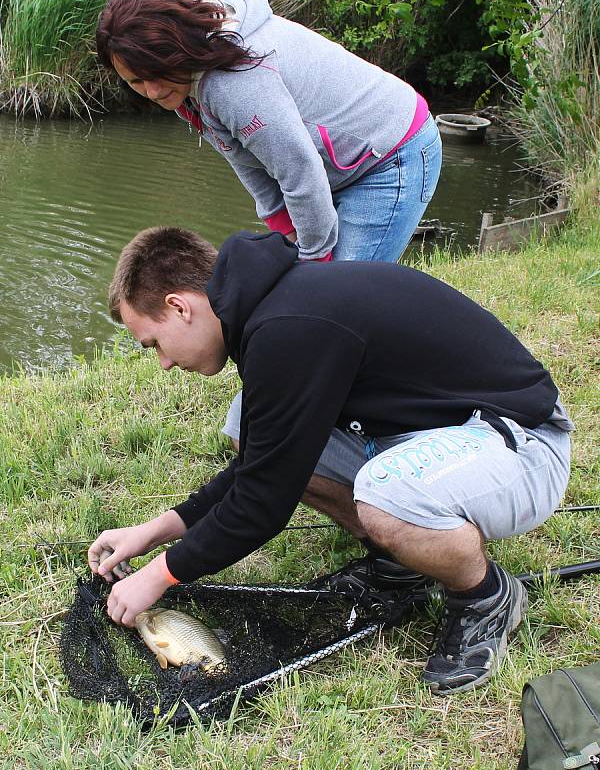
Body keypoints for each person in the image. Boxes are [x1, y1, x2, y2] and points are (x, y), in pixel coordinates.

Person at [88, 226, 573, 695]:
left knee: (386, 495)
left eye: (153, 343)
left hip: (522, 442)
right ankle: (398, 565)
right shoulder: (270, 314)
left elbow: (262, 505)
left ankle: (485, 597)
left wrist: (160, 575)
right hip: (434, 431)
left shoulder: (288, 329)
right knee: (245, 422)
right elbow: (262, 467)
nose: (164, 362)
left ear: (179, 306)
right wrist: (152, 532)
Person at [95, 0, 442, 264]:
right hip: (338, 161)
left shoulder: (233, 83)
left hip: (391, 152)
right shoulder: (183, 74)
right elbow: (240, 154)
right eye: (136, 81)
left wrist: (314, 256)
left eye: (156, 73)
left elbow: (299, 170)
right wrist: (283, 226)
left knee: (343, 296)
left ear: (178, 46)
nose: (152, 91)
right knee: (319, 292)